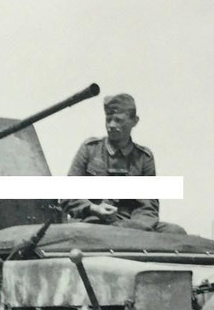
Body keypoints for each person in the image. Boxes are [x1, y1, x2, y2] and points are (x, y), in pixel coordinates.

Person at [63, 93, 186, 235]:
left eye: (118, 120)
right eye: (108, 119)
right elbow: (68, 195)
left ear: (135, 121)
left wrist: (134, 228)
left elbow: (148, 207)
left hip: (131, 225)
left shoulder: (144, 157)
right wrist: (94, 208)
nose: (111, 125)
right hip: (93, 221)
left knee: (176, 233)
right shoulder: (90, 149)